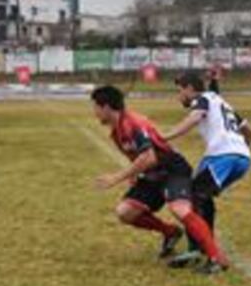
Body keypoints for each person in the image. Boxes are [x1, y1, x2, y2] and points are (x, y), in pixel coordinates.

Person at [90, 85, 231, 275]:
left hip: (173, 170)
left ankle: (216, 258)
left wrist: (117, 177)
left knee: (179, 209)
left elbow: (150, 157)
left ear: (106, 107)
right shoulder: (116, 132)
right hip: (152, 175)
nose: (94, 112)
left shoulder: (132, 123)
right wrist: (132, 175)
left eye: (95, 107)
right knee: (125, 212)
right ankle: (170, 232)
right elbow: (138, 156)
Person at [163, 72, 251, 269]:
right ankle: (201, 247)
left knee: (193, 197)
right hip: (242, 158)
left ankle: (205, 251)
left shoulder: (202, 99)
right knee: (201, 195)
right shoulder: (222, 103)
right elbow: (250, 130)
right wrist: (241, 147)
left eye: (179, 91)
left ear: (189, 89)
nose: (179, 96)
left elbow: (196, 117)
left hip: (222, 156)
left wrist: (166, 136)